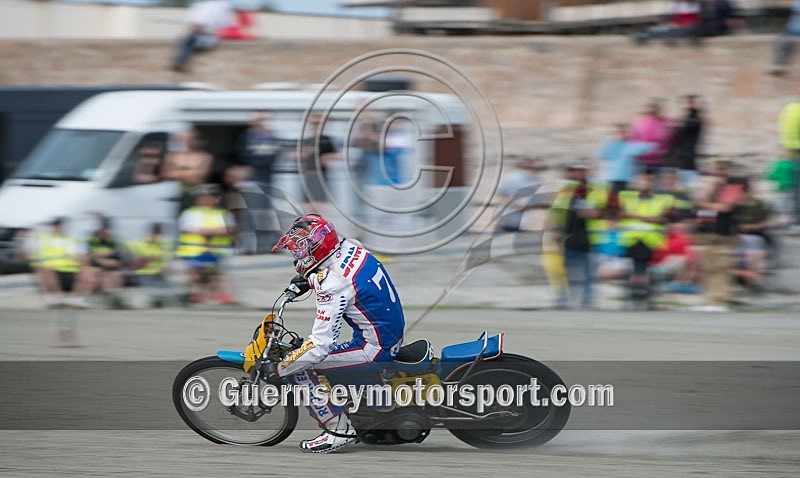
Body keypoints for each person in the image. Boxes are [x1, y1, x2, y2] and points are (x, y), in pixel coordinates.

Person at [268, 214, 405, 454]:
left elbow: (320, 346)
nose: (297, 257)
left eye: (300, 251)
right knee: (305, 352)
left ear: (316, 248)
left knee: (300, 366)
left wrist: (280, 368)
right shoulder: (351, 246)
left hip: (374, 348)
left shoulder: (331, 285)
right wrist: (309, 280)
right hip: (386, 333)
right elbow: (347, 277)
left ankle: (338, 430)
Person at [548, 164, 612, 309]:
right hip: (568, 236)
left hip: (591, 237)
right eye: (572, 170)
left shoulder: (599, 190)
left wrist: (598, 213)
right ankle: (565, 300)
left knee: (589, 272)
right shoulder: (563, 191)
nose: (575, 174)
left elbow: (612, 211)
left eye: (579, 170)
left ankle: (587, 301)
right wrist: (555, 232)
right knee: (566, 271)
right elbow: (556, 213)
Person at [616, 169, 677, 309]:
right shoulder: (628, 198)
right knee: (637, 269)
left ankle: (644, 298)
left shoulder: (660, 200)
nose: (646, 184)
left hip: (651, 240)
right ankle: (637, 298)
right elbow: (620, 215)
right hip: (632, 240)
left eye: (649, 180)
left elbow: (662, 219)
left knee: (647, 271)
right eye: (643, 180)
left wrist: (635, 216)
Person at [692, 157, 744, 311]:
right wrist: (711, 187)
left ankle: (720, 301)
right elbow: (700, 201)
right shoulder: (716, 186)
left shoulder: (734, 186)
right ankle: (708, 300)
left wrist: (707, 204)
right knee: (708, 267)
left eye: (722, 169)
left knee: (720, 268)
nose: (719, 172)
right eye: (717, 169)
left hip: (724, 231)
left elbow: (725, 207)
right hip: (708, 230)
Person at [176, 184, 237, 304]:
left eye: (212, 197)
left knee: (217, 274)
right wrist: (214, 231)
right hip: (194, 250)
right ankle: (196, 295)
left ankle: (222, 295)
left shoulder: (223, 213)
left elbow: (229, 229)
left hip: (217, 251)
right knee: (196, 275)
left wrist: (207, 231)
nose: (209, 200)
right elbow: (189, 229)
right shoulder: (190, 213)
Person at [28, 217, 93, 308]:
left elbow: (83, 258)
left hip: (71, 272)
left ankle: (76, 298)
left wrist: (81, 260)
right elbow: (31, 256)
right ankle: (55, 297)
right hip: (51, 273)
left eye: (61, 225)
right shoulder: (42, 239)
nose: (59, 228)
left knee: (88, 269)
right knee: (42, 267)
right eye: (56, 226)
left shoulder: (73, 240)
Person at [171, 0, 235, 72]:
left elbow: (224, 23)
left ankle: (180, 63)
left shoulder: (222, 6)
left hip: (208, 36)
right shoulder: (198, 5)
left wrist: (203, 27)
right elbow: (191, 22)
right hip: (194, 35)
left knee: (189, 40)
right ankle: (179, 63)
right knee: (185, 39)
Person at [163, 128, 214, 213]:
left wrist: (177, 171)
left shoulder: (206, 156)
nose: (185, 142)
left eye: (189, 139)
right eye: (181, 139)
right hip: (174, 194)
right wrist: (192, 171)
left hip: (197, 195)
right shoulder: (170, 156)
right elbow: (166, 174)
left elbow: (200, 176)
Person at [596, 123, 656, 193]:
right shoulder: (613, 145)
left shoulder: (628, 145)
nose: (620, 134)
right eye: (616, 132)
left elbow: (646, 147)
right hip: (612, 179)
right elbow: (601, 154)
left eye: (622, 132)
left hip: (626, 180)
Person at [296, 114, 338, 214]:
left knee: (320, 206)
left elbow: (335, 156)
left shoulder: (326, 140)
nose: (315, 126)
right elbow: (293, 156)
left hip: (320, 176)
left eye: (318, 124)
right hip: (307, 175)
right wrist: (307, 152)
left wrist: (325, 158)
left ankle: (319, 227)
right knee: (307, 206)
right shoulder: (306, 140)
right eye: (313, 124)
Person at [86, 216, 129, 309]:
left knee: (115, 275)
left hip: (111, 268)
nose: (105, 233)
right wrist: (104, 259)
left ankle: (115, 298)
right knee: (104, 275)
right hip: (96, 267)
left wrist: (101, 257)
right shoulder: (92, 240)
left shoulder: (114, 241)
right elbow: (90, 257)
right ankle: (112, 299)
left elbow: (118, 261)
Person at [127, 223, 173, 308]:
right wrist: (152, 259)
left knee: (169, 293)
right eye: (156, 235)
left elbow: (167, 262)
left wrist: (165, 267)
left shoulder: (164, 244)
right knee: (153, 293)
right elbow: (140, 262)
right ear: (149, 234)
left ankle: (156, 300)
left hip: (158, 275)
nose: (158, 238)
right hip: (143, 273)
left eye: (159, 235)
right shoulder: (139, 243)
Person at [496, 157, 546, 232]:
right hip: (510, 220)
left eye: (538, 168)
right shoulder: (512, 178)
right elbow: (501, 194)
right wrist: (517, 205)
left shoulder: (540, 181)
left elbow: (543, 199)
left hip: (530, 223)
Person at [666, 95, 705, 188]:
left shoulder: (695, 120)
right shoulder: (686, 119)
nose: (690, 104)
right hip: (679, 161)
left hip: (688, 161)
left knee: (687, 190)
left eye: (692, 102)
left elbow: (690, 126)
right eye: (689, 102)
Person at [629, 99, 672, 172]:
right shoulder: (640, 123)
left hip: (659, 161)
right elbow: (633, 141)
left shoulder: (666, 122)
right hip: (643, 161)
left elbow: (670, 140)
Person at [764, 150, 799, 227]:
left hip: (780, 188)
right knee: (791, 205)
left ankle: (783, 222)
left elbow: (771, 176)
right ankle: (791, 221)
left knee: (780, 206)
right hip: (792, 187)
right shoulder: (794, 164)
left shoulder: (777, 164)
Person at [771, 1, 800, 75]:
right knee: (781, 42)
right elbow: (796, 15)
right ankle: (780, 66)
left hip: (794, 30)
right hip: (791, 31)